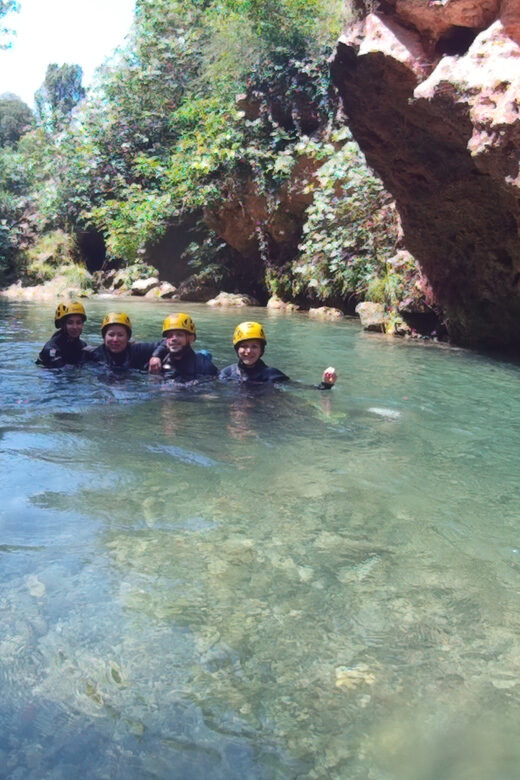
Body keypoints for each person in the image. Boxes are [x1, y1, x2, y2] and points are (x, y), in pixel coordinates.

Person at [219, 321, 337, 388]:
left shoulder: (271, 374)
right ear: (237, 349)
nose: (248, 351)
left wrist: (325, 384)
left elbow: (300, 387)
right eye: (244, 346)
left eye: (254, 346)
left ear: (261, 350)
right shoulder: (227, 373)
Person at [148, 313, 219, 382]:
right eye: (170, 335)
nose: (173, 339)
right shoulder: (160, 362)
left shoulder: (204, 366)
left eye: (179, 334)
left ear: (191, 338)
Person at [85, 312, 159, 370]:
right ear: (104, 336)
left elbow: (165, 342)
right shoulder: (94, 355)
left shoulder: (137, 350)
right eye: (111, 335)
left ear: (128, 337)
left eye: (120, 335)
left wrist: (156, 356)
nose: (115, 340)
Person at [37, 301, 88, 367]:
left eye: (78, 323)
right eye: (70, 323)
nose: (75, 327)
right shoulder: (51, 349)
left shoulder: (83, 345)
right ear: (62, 325)